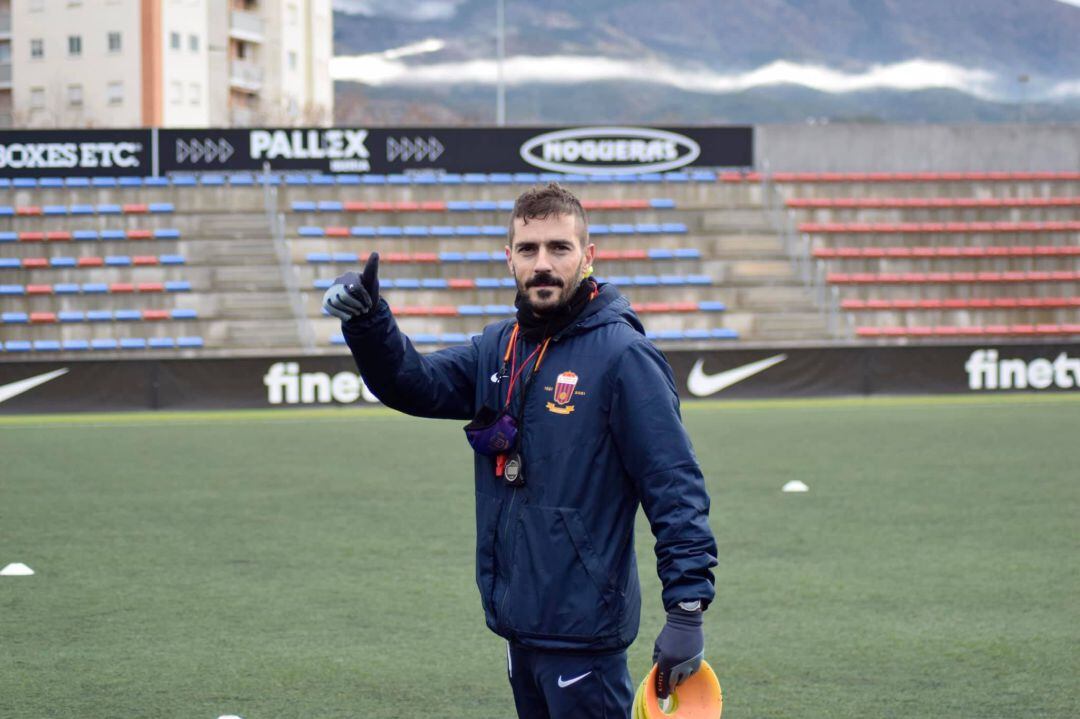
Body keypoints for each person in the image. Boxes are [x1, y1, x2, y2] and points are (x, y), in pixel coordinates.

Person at [323, 182, 717, 719]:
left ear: (588, 256)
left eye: (560, 248)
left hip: (584, 633)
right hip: (519, 626)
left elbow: (674, 487)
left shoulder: (625, 356)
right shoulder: (499, 346)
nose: (543, 264)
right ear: (509, 257)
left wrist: (687, 611)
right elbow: (413, 384)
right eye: (529, 249)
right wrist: (369, 323)